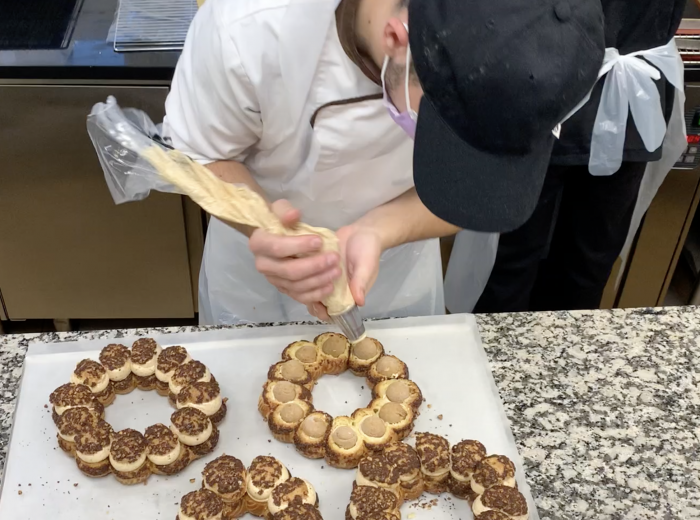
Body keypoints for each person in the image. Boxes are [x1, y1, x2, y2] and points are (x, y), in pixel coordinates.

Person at [163, 0, 605, 325]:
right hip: (256, 278)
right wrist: (267, 230)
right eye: (447, 135)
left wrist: (378, 230)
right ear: (397, 39)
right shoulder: (248, 26)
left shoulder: (533, 37)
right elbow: (202, 155)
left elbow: (473, 193)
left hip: (398, 272)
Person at [472, 0, 686, 313]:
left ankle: (526, 356)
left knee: (528, 262)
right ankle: (530, 355)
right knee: (566, 263)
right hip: (563, 86)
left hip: (609, 90)